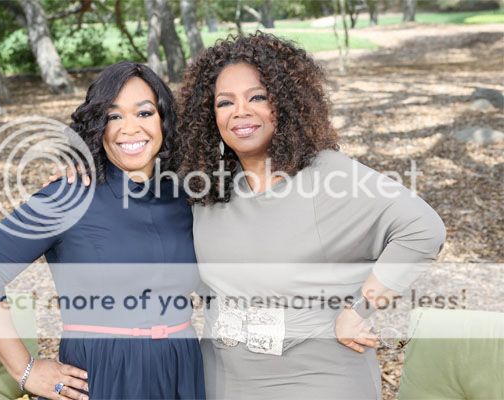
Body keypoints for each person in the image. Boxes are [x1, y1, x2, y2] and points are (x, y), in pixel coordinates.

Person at [50, 33, 446, 399]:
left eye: (257, 97)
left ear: (285, 103)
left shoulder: (328, 174)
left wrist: (360, 308)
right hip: (223, 377)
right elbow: (137, 155)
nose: (240, 112)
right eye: (225, 102)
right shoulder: (204, 184)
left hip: (316, 375)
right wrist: (83, 162)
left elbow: (422, 229)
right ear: (210, 115)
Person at [0, 62, 205, 400]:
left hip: (181, 368)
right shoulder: (69, 195)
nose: (130, 128)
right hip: (102, 373)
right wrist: (25, 370)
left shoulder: (185, 195)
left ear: (164, 119)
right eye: (113, 116)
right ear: (98, 125)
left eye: (144, 112)